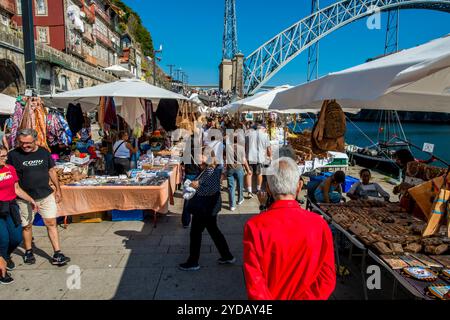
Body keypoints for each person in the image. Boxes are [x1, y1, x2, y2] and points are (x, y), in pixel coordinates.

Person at [243, 157, 336, 299]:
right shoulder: (320, 225)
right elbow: (327, 278)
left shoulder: (255, 226)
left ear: (268, 189)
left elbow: (255, 284)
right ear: (299, 187)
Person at [7, 129, 70, 266]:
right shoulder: (13, 155)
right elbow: (10, 176)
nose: (24, 145)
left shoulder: (43, 152)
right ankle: (28, 251)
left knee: (51, 223)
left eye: (28, 143)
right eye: (22, 143)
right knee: (27, 225)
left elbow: (51, 171)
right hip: (24, 198)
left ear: (35, 140)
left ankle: (57, 253)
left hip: (45, 195)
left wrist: (58, 189)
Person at [179, 154, 235, 271]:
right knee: (214, 231)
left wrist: (194, 185)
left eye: (201, 157)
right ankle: (227, 255)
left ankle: (193, 261)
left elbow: (206, 189)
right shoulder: (215, 169)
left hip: (203, 207)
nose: (198, 160)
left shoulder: (209, 171)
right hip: (210, 207)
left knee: (195, 234)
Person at [0, 146, 38, 284]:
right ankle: (2, 271)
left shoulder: (10, 169)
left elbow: (16, 188)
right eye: (2, 156)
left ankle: (5, 256)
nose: (5, 158)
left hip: (10, 207)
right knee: (3, 239)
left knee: (16, 238)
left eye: (5, 156)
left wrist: (30, 199)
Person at [225, 133, 251, 211]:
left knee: (231, 187)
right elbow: (244, 160)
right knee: (240, 185)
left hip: (230, 169)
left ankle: (232, 205)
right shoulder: (241, 148)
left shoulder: (227, 148)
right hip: (239, 168)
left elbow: (225, 159)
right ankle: (240, 199)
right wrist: (248, 169)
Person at [246, 123, 272, 197]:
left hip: (250, 156)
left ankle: (249, 191)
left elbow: (245, 146)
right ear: (262, 129)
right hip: (260, 157)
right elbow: (268, 148)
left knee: (249, 173)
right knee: (259, 173)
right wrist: (270, 156)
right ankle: (258, 190)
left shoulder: (249, 134)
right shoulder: (265, 135)